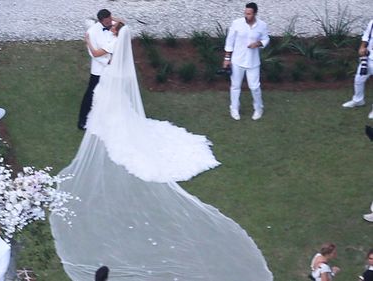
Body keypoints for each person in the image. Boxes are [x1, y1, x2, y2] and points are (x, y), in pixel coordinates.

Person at [50, 24, 272, 281]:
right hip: (112, 80)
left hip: (107, 76)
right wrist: (113, 28)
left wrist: (90, 36)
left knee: (106, 108)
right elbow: (114, 34)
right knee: (110, 109)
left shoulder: (111, 45)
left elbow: (101, 51)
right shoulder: (118, 42)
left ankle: (109, 123)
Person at [223, 2, 270, 121]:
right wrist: (227, 59)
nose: (246, 15)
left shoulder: (262, 25)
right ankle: (234, 108)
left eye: (249, 14)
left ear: (255, 13)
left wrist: (258, 43)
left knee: (254, 87)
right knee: (235, 86)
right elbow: (230, 41)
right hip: (237, 61)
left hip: (253, 62)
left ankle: (258, 108)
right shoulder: (237, 23)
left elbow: (266, 39)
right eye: (245, 13)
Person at [77, 9, 114, 130]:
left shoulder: (113, 25)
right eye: (107, 21)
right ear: (100, 21)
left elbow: (121, 23)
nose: (110, 22)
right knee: (91, 93)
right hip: (99, 69)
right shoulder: (92, 32)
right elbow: (93, 53)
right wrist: (106, 61)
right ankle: (82, 120)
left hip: (112, 68)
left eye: (110, 19)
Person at [342, 19, 373, 118]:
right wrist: (362, 48)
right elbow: (366, 36)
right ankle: (358, 100)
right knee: (359, 79)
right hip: (368, 56)